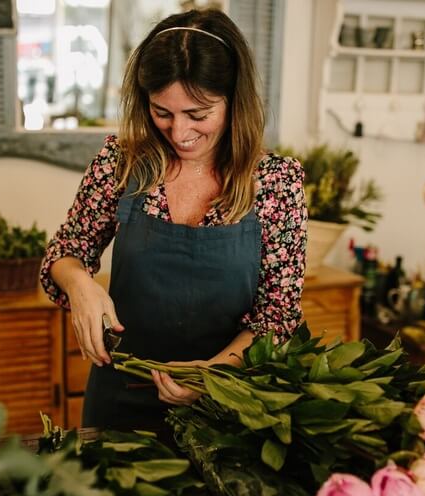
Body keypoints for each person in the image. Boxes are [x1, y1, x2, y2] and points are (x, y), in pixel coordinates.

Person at [40, 8, 307, 431]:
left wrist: (210, 376)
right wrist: (79, 285)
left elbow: (278, 318)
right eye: (162, 111)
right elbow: (66, 251)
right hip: (120, 401)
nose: (179, 132)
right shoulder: (121, 164)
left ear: (234, 101)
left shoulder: (275, 183)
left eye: (198, 115)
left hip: (228, 409)